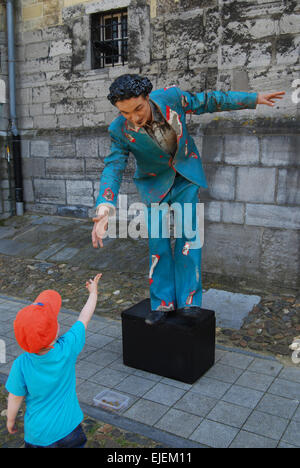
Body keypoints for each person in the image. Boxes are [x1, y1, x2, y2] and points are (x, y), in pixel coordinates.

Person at [91, 74, 285, 325]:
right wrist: (105, 208)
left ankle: (190, 301)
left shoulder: (171, 98)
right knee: (158, 244)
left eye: (138, 108)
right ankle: (162, 303)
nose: (135, 118)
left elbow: (209, 100)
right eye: (126, 113)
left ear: (147, 97)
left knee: (189, 238)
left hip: (185, 176)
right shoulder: (119, 130)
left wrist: (252, 98)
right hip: (153, 186)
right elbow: (113, 167)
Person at [5, 273, 102, 448]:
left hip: (39, 435)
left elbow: (15, 397)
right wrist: (93, 293)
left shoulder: (21, 364)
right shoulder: (67, 347)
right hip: (70, 429)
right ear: (55, 330)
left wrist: (10, 419)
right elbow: (84, 318)